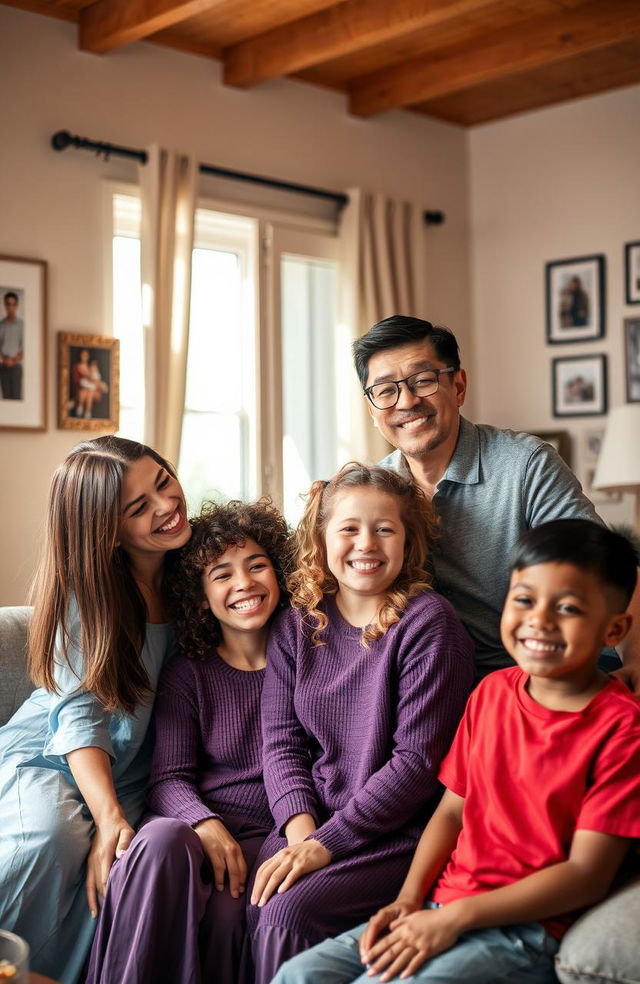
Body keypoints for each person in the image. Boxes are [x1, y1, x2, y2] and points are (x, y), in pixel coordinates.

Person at [273, 518, 640, 984]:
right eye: (524, 600)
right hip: (439, 903)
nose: (539, 621)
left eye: (567, 608)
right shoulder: (492, 692)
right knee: (298, 976)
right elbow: (451, 812)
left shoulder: (623, 729)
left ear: (615, 630)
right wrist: (409, 899)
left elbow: (587, 874)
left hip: (522, 931)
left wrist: (455, 919)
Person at [247, 462, 475, 984]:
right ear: (322, 539)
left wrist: (325, 844)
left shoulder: (428, 624)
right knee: (265, 897)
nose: (365, 544)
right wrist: (301, 833)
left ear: (408, 541)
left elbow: (416, 766)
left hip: (397, 834)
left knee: (287, 911)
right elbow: (281, 744)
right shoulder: (297, 622)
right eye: (348, 528)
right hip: (312, 823)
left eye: (385, 529)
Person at [352, 315, 640, 683]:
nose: (406, 401)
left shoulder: (525, 465)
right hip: (442, 688)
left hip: (552, 674)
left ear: (458, 386)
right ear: (373, 410)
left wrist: (636, 664)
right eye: (386, 390)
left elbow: (606, 568)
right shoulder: (374, 492)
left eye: (423, 381)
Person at [0, 436, 191, 984]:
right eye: (139, 507)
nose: (166, 504)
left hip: (139, 769)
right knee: (53, 837)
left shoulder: (192, 573)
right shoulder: (91, 592)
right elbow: (77, 717)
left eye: (163, 481)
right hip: (56, 756)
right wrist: (108, 817)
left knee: (125, 867)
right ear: (107, 530)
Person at [86, 498, 292, 984]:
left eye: (257, 565)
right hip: (199, 827)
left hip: (272, 833)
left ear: (279, 573)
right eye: (221, 574)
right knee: (160, 837)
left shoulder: (307, 663)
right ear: (200, 596)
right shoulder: (188, 674)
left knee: (228, 915)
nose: (243, 583)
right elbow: (170, 778)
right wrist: (204, 822)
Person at [0, 290, 24, 399]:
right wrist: (5, 360)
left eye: (13, 304)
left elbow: (24, 347)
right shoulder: (1, 325)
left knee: (17, 397)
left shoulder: (21, 325)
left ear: (17, 306)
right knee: (6, 397)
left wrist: (14, 360)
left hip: (16, 366)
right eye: (8, 304)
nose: (11, 308)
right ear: (5, 305)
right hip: (3, 366)